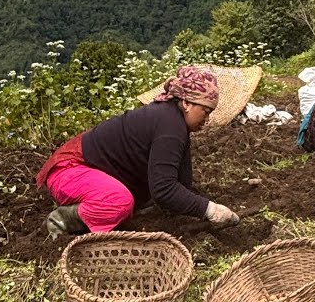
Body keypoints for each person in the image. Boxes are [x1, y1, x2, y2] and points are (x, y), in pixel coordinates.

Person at [36, 65, 241, 235]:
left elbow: (181, 180)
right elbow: (163, 190)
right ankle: (62, 220)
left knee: (134, 201)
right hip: (68, 171)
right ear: (186, 103)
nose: (207, 119)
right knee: (119, 202)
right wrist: (210, 210)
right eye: (205, 111)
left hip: (89, 171)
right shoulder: (170, 127)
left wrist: (191, 203)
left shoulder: (172, 120)